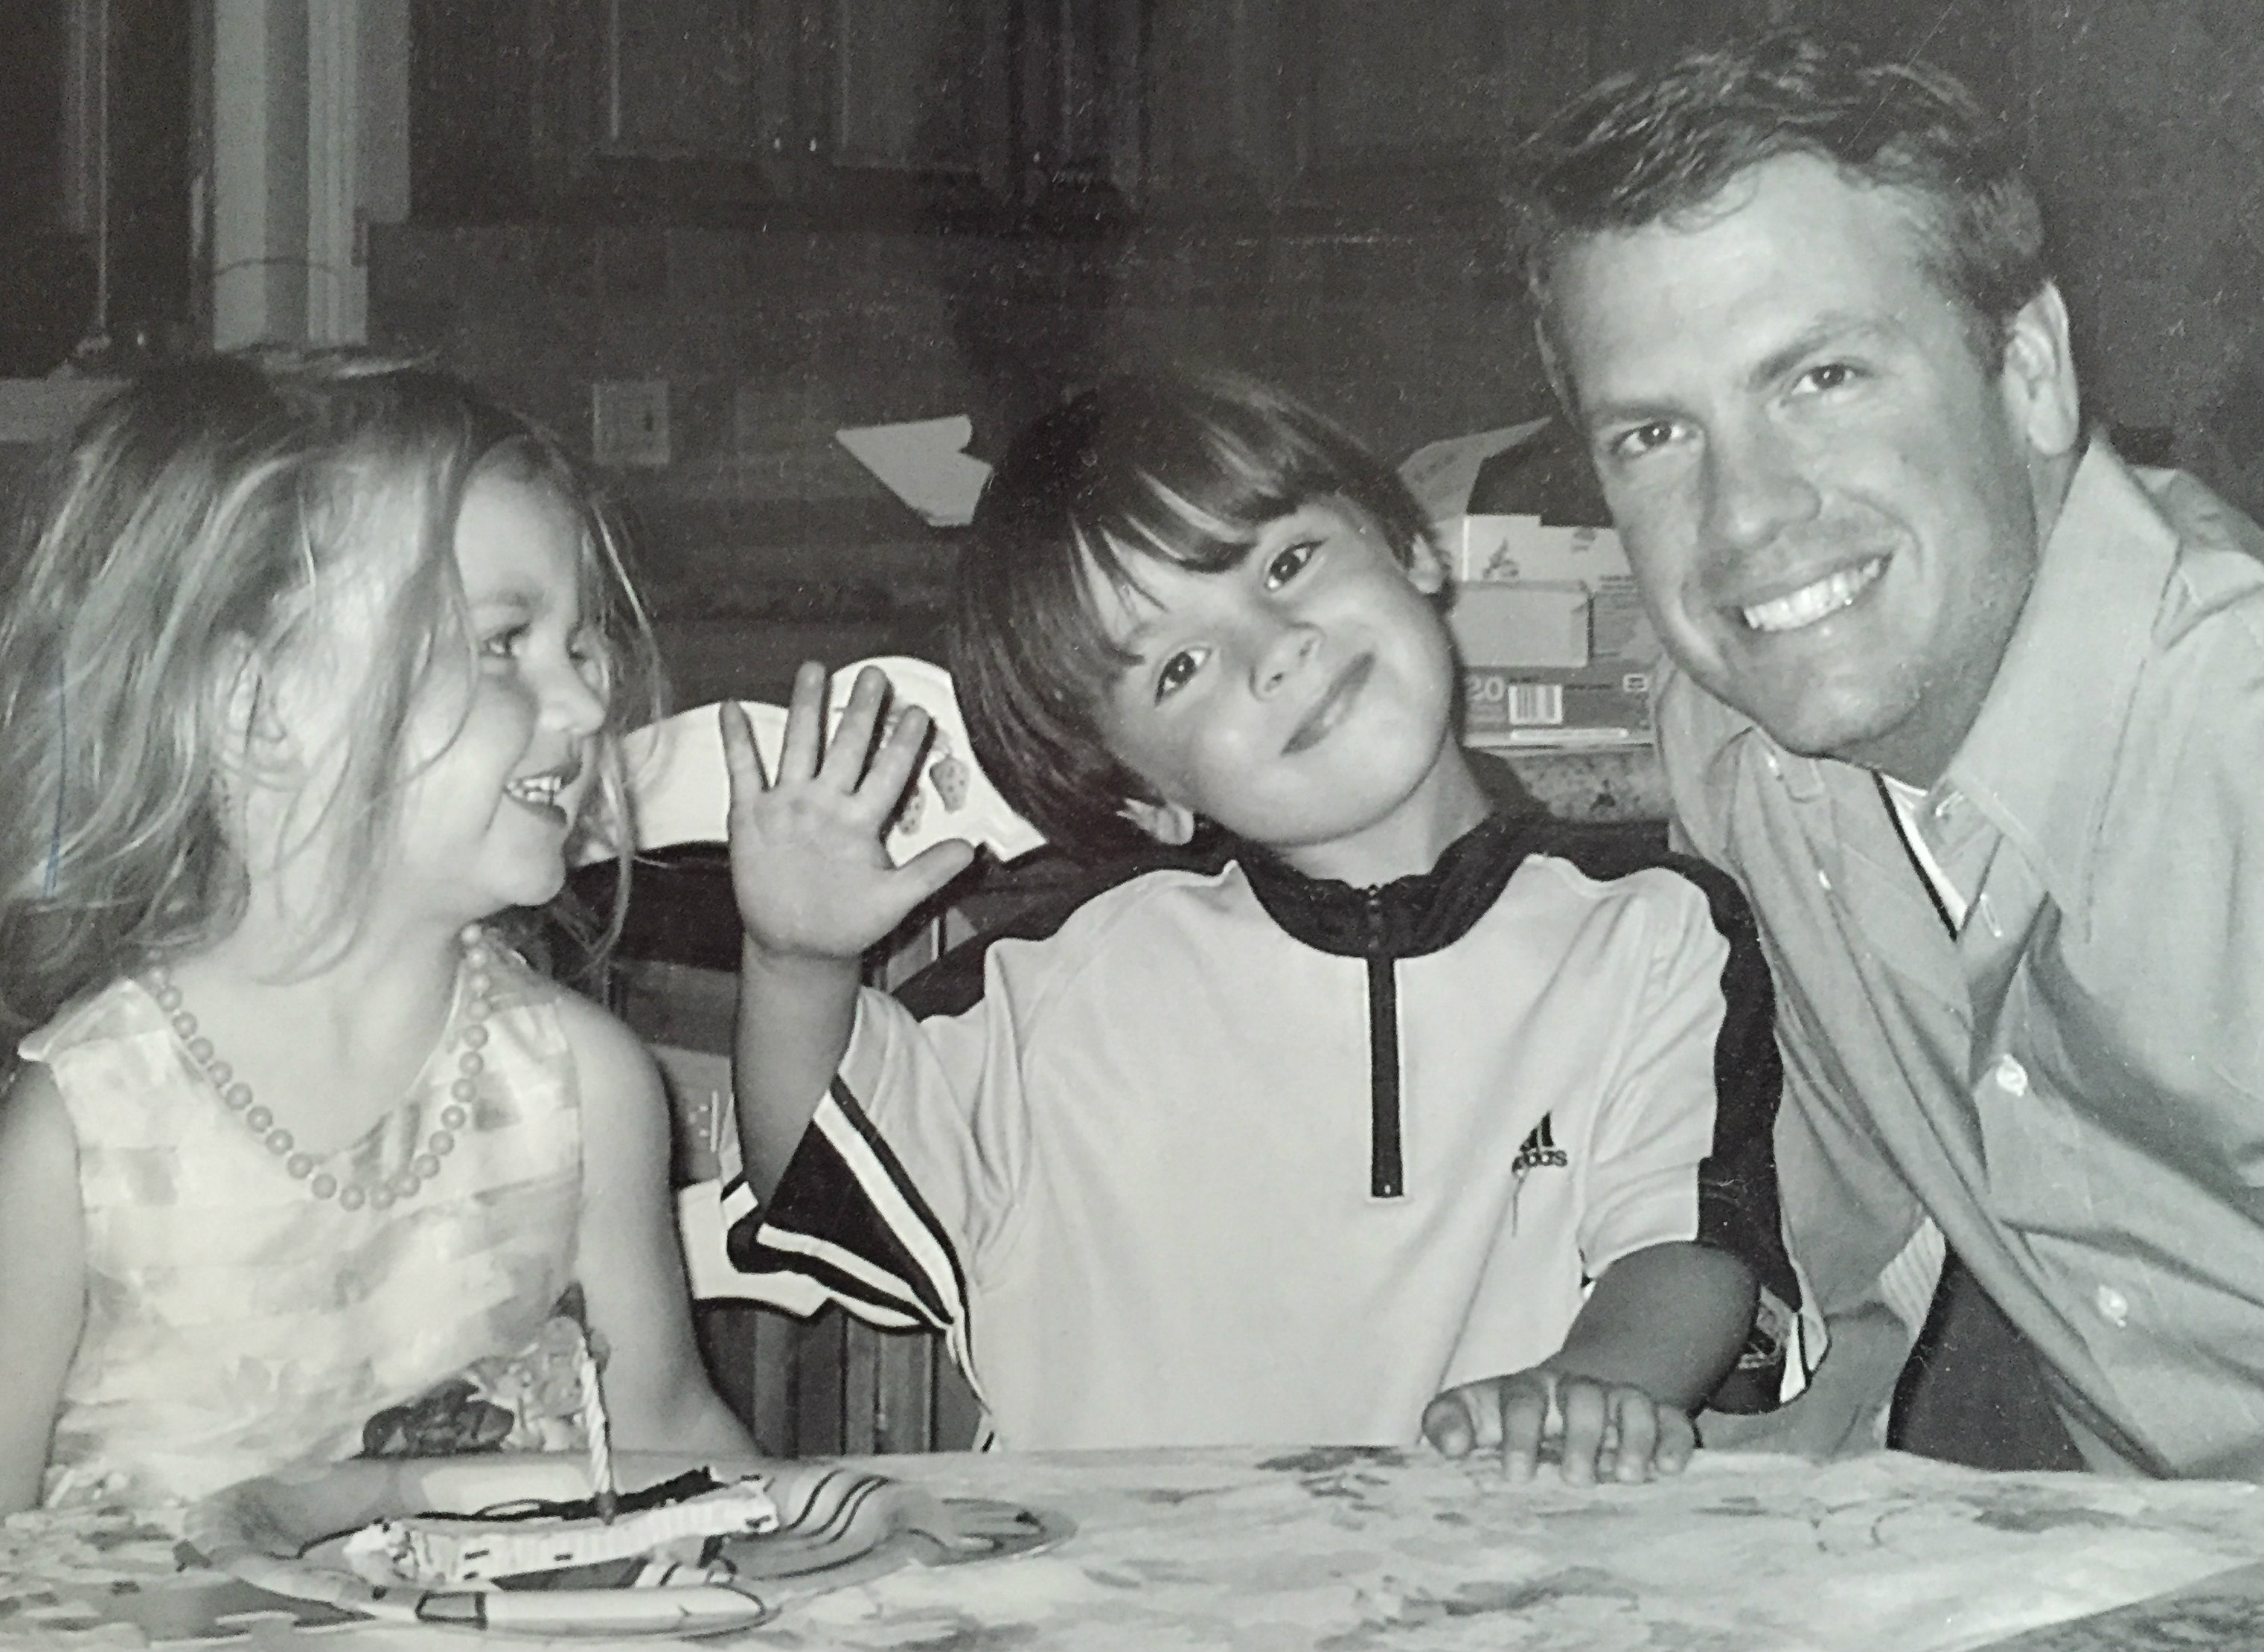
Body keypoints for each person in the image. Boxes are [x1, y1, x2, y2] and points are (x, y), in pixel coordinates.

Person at [720, 369, 1800, 1480]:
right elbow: (816, 1171)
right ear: (1141, 793)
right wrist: (797, 962)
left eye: (1285, 564)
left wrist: (1601, 1385)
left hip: (1496, 1594)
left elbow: (1684, 1237)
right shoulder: (1052, 986)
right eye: (1180, 668)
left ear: (1410, 548)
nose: (1273, 646)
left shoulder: (1652, 933)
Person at [1515, 30, 2264, 1479]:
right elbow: (1855, 1223)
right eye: (1656, 432)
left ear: (2030, 373)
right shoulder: (1743, 743)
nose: (1742, 519)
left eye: (1823, 378)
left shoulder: (2233, 746)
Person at [0, 353, 755, 1526]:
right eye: (503, 643)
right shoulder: (83, 1143)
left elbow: (670, 1435)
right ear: (258, 709)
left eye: (578, 647)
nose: (588, 706)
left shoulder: (581, 1090)